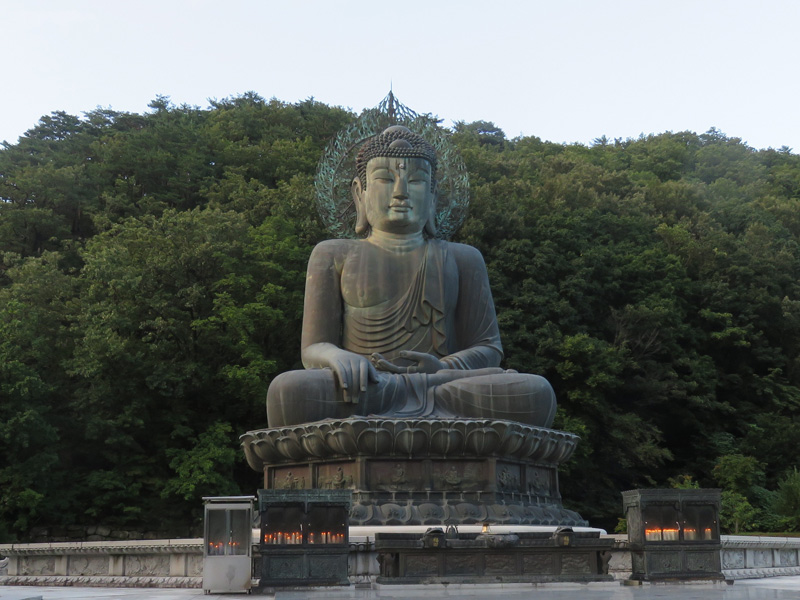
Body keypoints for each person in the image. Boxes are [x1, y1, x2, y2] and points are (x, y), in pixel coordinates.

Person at [267, 126, 556, 428]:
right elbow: (313, 347)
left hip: (442, 384)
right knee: (288, 392)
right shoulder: (332, 254)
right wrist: (337, 358)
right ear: (359, 194)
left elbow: (489, 348)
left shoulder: (462, 257)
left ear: (433, 198)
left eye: (417, 180)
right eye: (384, 179)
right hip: (367, 388)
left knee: (535, 391)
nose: (400, 191)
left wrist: (443, 367)